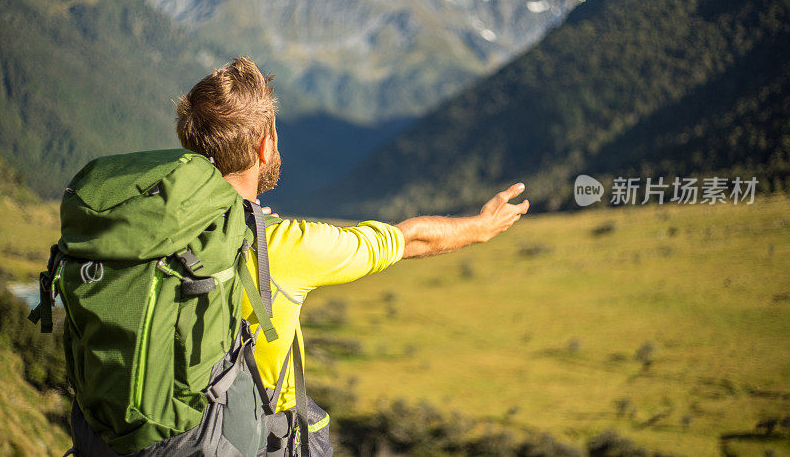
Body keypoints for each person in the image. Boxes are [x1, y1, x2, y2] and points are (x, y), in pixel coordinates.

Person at [175, 56, 529, 454]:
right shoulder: (286, 247)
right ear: (264, 146)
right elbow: (408, 239)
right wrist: (482, 227)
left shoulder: (145, 231)